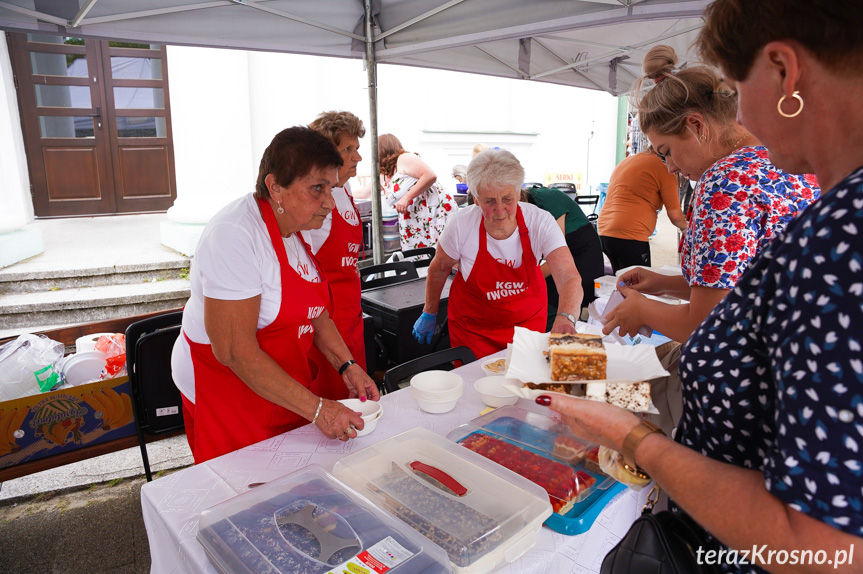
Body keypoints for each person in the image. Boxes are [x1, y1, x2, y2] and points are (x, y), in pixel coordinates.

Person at [538, 2, 863, 571]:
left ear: (784, 71)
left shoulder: (765, 198)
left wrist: (634, 439)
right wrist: (668, 282)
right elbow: (744, 284)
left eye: (741, 86)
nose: (745, 116)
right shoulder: (811, 189)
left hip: (731, 537)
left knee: (582, 373)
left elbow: (823, 546)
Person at [171, 127, 380, 464]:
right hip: (226, 390)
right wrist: (318, 410)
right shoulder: (234, 236)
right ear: (275, 187)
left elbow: (316, 312)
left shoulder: (300, 228)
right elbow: (234, 352)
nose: (329, 201)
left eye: (331, 187)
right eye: (317, 189)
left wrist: (348, 365)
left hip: (276, 383)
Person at [602, 44, 819, 344]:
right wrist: (663, 284)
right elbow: (741, 282)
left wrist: (643, 310)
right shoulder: (788, 159)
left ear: (696, 125)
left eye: (667, 153)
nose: (670, 168)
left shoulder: (723, 180)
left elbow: (706, 324)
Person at [413, 149, 584, 359]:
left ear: (518, 193)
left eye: (507, 199)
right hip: (474, 333)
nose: (500, 210)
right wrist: (429, 311)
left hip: (527, 329)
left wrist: (566, 317)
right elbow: (439, 268)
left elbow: (568, 276)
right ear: (475, 199)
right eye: (490, 201)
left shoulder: (540, 221)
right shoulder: (460, 224)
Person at [303, 111, 366, 401]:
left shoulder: (345, 188)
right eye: (348, 150)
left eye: (357, 148)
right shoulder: (315, 203)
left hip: (351, 316)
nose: (358, 158)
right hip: (325, 326)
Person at [522, 185, 604, 329]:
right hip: (561, 253)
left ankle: (558, 332)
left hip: (581, 251)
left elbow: (555, 251)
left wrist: (526, 280)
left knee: (556, 297)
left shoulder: (549, 199)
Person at [598, 148, 686, 273]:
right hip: (630, 234)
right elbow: (675, 216)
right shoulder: (663, 168)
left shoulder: (628, 161)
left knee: (621, 282)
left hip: (605, 231)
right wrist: (688, 229)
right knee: (637, 285)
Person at [378, 134, 457, 250]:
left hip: (435, 213)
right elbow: (365, 192)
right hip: (415, 222)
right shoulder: (384, 174)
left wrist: (406, 198)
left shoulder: (404, 159)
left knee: (444, 254)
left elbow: (430, 175)